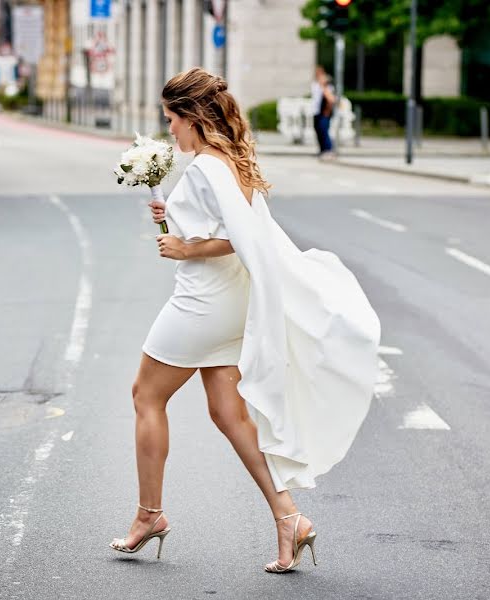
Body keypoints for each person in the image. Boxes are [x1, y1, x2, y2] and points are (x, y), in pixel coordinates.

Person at [109, 67, 381, 573]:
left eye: (171, 119)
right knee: (228, 414)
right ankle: (289, 518)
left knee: (146, 396)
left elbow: (239, 239)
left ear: (192, 117)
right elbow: (230, 226)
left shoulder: (207, 168)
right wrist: (171, 217)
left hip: (203, 303)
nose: (168, 130)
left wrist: (184, 246)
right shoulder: (229, 161)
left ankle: (150, 515)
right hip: (230, 301)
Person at [311, 65, 337, 159]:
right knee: (319, 131)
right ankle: (322, 150)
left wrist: (327, 111)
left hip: (324, 113)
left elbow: (331, 100)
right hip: (317, 112)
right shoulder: (316, 85)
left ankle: (328, 150)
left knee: (324, 131)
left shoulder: (327, 87)